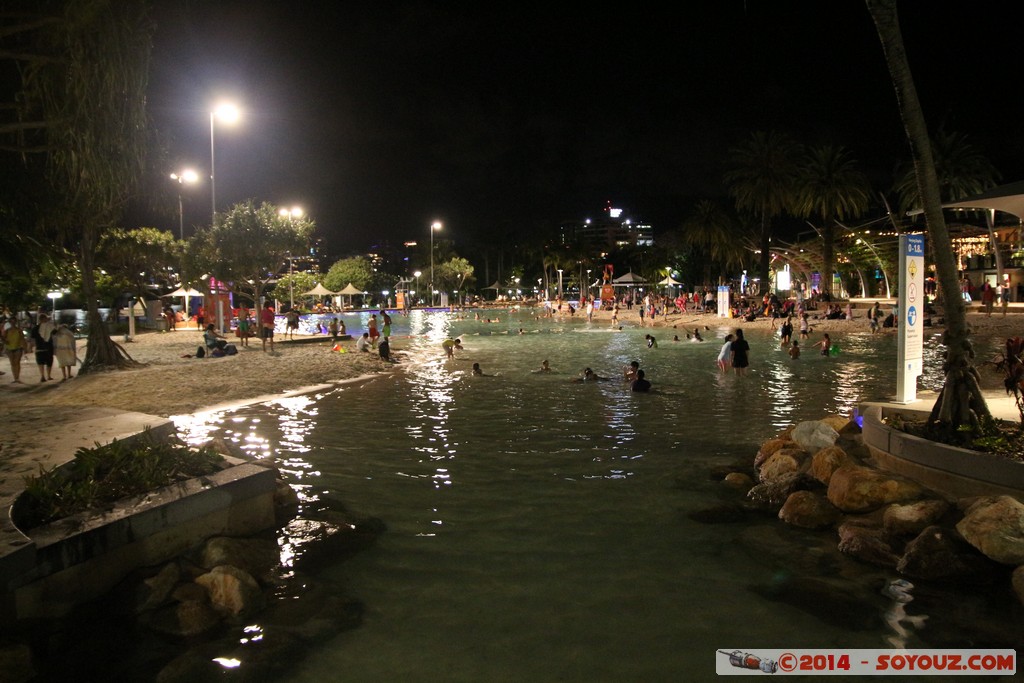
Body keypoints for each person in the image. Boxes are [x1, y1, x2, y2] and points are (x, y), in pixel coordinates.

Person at [29, 313, 55, 382]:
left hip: (39, 347)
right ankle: (48, 376)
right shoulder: (49, 327)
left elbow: (32, 338)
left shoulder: (35, 328)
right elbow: (55, 332)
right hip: (48, 346)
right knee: (49, 361)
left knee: (40, 362)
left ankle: (42, 376)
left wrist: (32, 347)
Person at [3, 318, 26, 383]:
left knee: (17, 362)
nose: (13, 323)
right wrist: (5, 342)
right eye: (11, 322)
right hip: (9, 348)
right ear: (10, 322)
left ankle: (17, 378)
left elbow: (22, 339)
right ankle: (15, 378)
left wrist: (24, 347)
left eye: (14, 322)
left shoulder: (19, 330)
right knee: (12, 363)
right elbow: (3, 338)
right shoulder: (7, 330)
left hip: (18, 347)